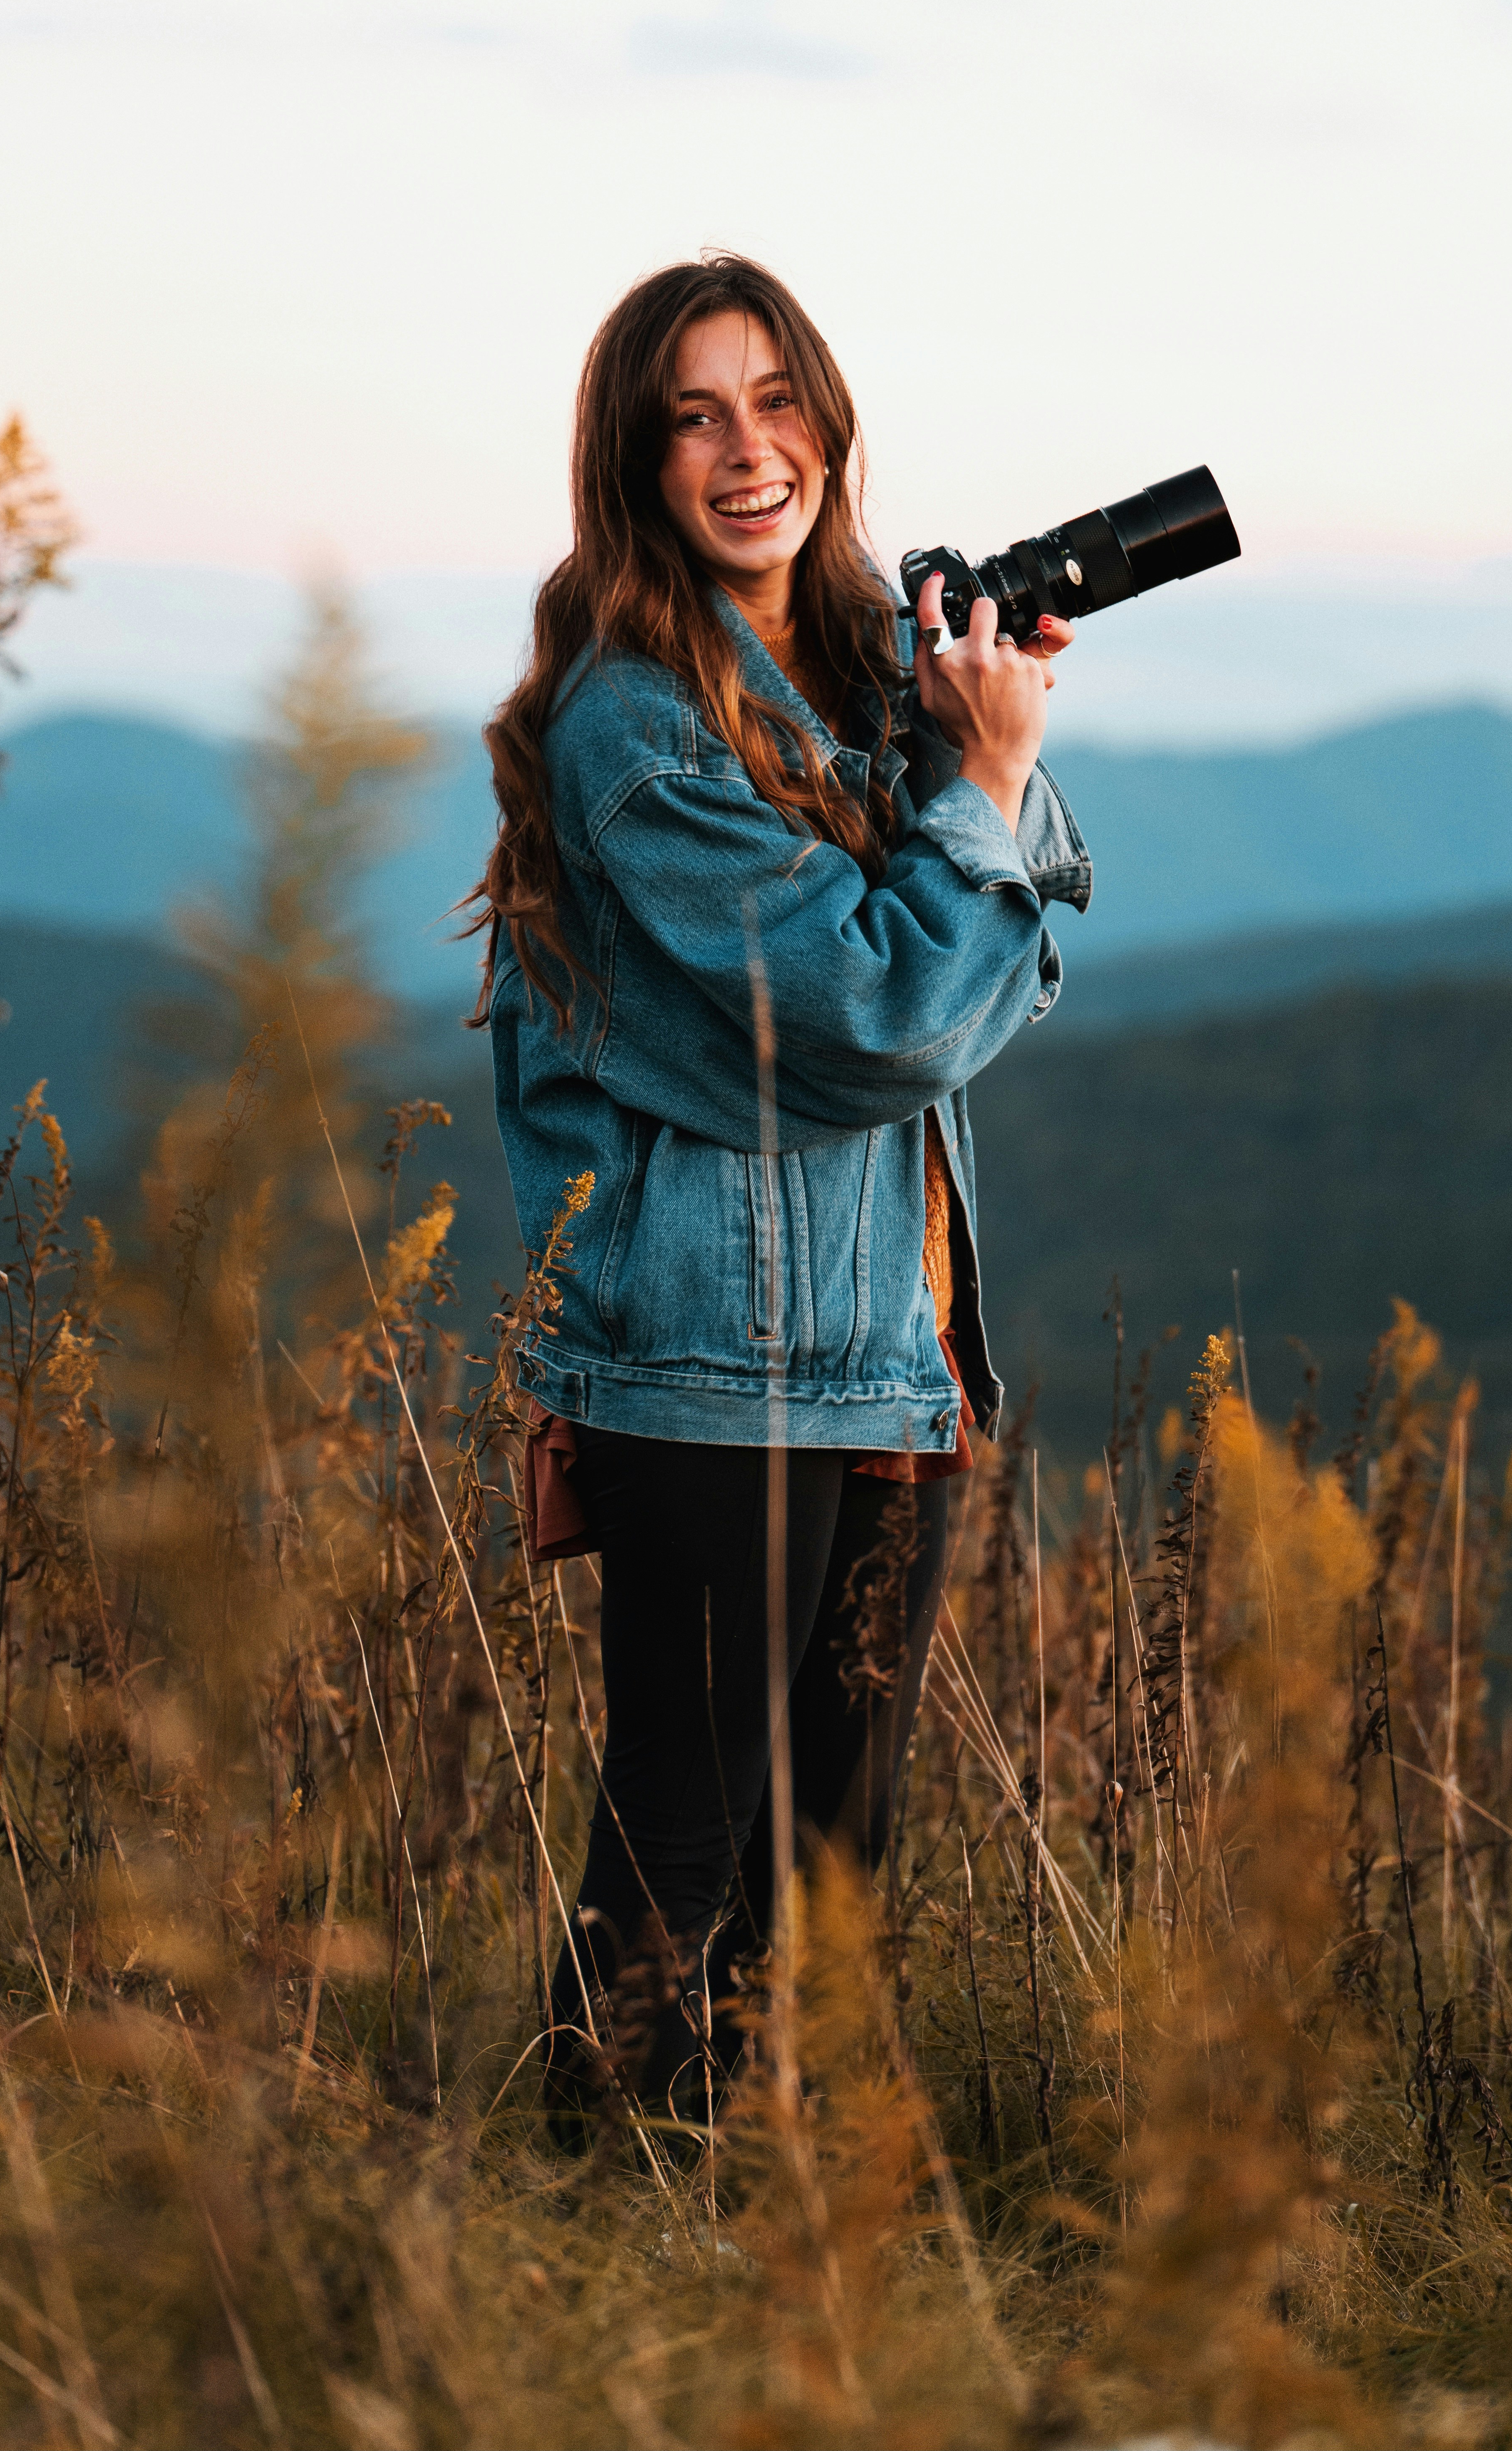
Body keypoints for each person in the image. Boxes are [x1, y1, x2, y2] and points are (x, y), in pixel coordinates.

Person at [471, 252, 1090, 2139]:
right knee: (677, 1851)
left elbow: (1020, 939)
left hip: (890, 1347)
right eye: (692, 419)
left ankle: (761, 2239)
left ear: (826, 424)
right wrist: (977, 791)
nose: (747, 452)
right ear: (633, 464)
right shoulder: (636, 725)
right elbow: (893, 1012)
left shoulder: (847, 676)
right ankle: (566, 2228)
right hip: (715, 1357)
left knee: (829, 1873)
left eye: (774, 403)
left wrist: (966, 737)